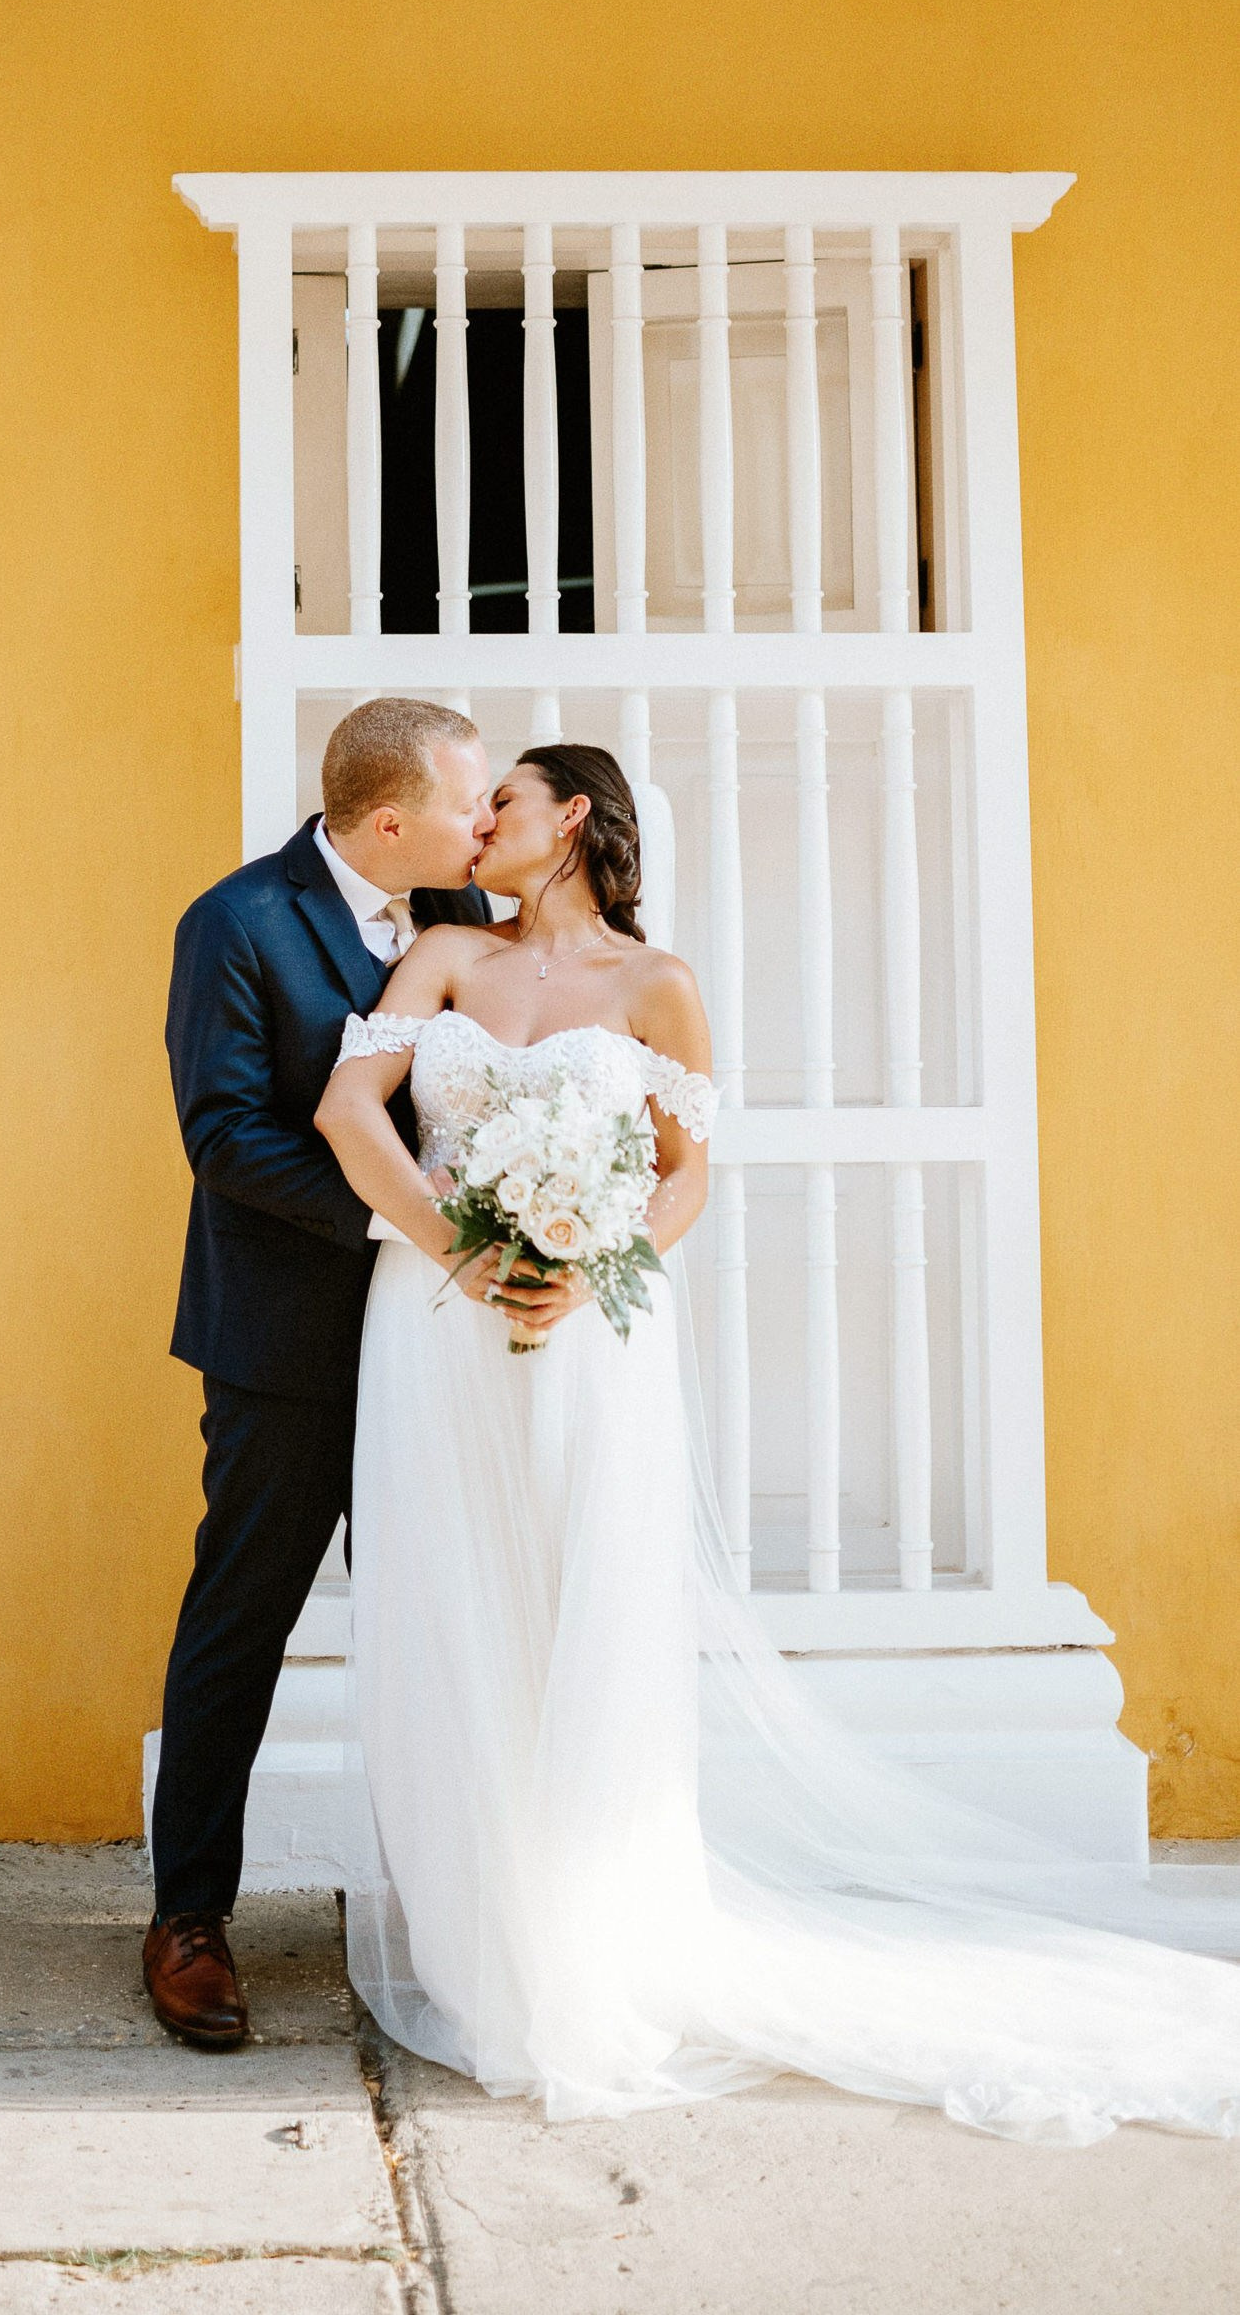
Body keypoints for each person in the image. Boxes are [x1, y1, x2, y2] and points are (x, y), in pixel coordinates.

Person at [312, 741, 1240, 2143]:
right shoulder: (438, 961)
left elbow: (688, 1177)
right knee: (458, 1604)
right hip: (437, 1324)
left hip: (592, 1329)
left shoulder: (656, 985)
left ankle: (589, 1935)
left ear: (568, 817)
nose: (476, 824)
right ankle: (478, 1943)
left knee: (584, 1614)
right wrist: (464, 1249)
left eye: (500, 799)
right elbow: (345, 1114)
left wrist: (591, 1245)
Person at [145, 698, 505, 2047]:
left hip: (448, 1348)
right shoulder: (235, 926)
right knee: (241, 1622)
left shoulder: (471, 917)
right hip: (287, 1345)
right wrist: (415, 1224)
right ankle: (188, 1920)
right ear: (390, 816)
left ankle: (464, 1910)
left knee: (451, 1618)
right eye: (468, 803)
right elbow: (225, 1135)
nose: (485, 825)